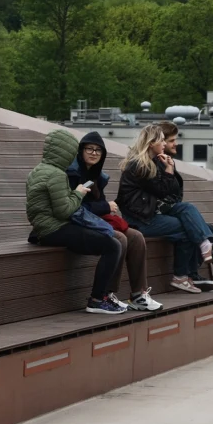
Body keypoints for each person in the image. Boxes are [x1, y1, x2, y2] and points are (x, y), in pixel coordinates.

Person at [26, 129, 127, 315]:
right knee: (113, 246)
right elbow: (64, 210)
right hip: (54, 229)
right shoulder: (57, 175)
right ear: (65, 151)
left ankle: (102, 298)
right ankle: (97, 300)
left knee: (112, 241)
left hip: (44, 228)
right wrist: (78, 193)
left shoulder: (38, 170)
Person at [117, 123, 213, 293]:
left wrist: (169, 169)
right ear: (151, 144)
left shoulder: (154, 162)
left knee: (187, 209)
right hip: (140, 220)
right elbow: (162, 191)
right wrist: (169, 170)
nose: (164, 144)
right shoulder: (140, 165)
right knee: (187, 228)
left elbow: (172, 193)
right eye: (162, 140)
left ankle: (200, 253)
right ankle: (182, 275)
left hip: (152, 212)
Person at [67, 132, 159, 312]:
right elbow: (74, 208)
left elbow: (97, 206)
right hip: (77, 222)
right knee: (118, 238)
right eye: (89, 149)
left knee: (136, 237)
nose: (94, 153)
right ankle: (104, 295)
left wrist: (105, 207)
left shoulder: (96, 175)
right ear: (81, 150)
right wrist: (105, 206)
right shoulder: (72, 174)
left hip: (94, 221)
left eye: (98, 150)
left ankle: (138, 295)